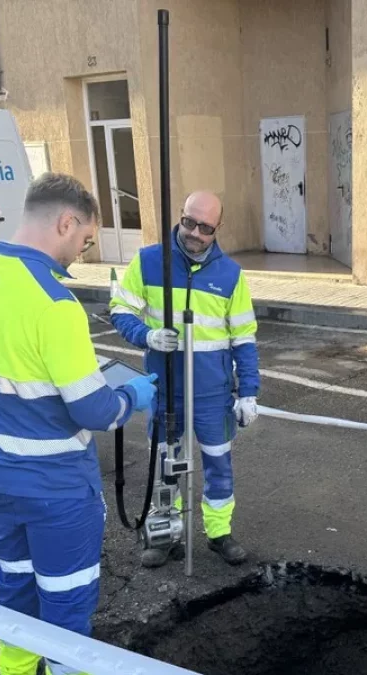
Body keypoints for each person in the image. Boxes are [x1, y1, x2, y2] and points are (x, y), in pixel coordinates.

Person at [0, 173, 158, 675]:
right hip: (56, 487)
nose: (81, 250)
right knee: (66, 608)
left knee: (16, 590)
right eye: (85, 239)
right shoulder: (55, 302)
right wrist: (132, 395)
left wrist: (7, 394)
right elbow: (94, 411)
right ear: (65, 221)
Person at [109, 190, 261, 568]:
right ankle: (166, 533)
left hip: (213, 394)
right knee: (166, 465)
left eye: (205, 227)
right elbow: (120, 308)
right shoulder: (149, 262)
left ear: (217, 228)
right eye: (189, 222)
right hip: (167, 390)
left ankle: (219, 532)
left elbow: (243, 336)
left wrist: (249, 392)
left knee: (218, 464)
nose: (194, 232)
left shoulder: (230, 275)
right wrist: (146, 335)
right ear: (181, 216)